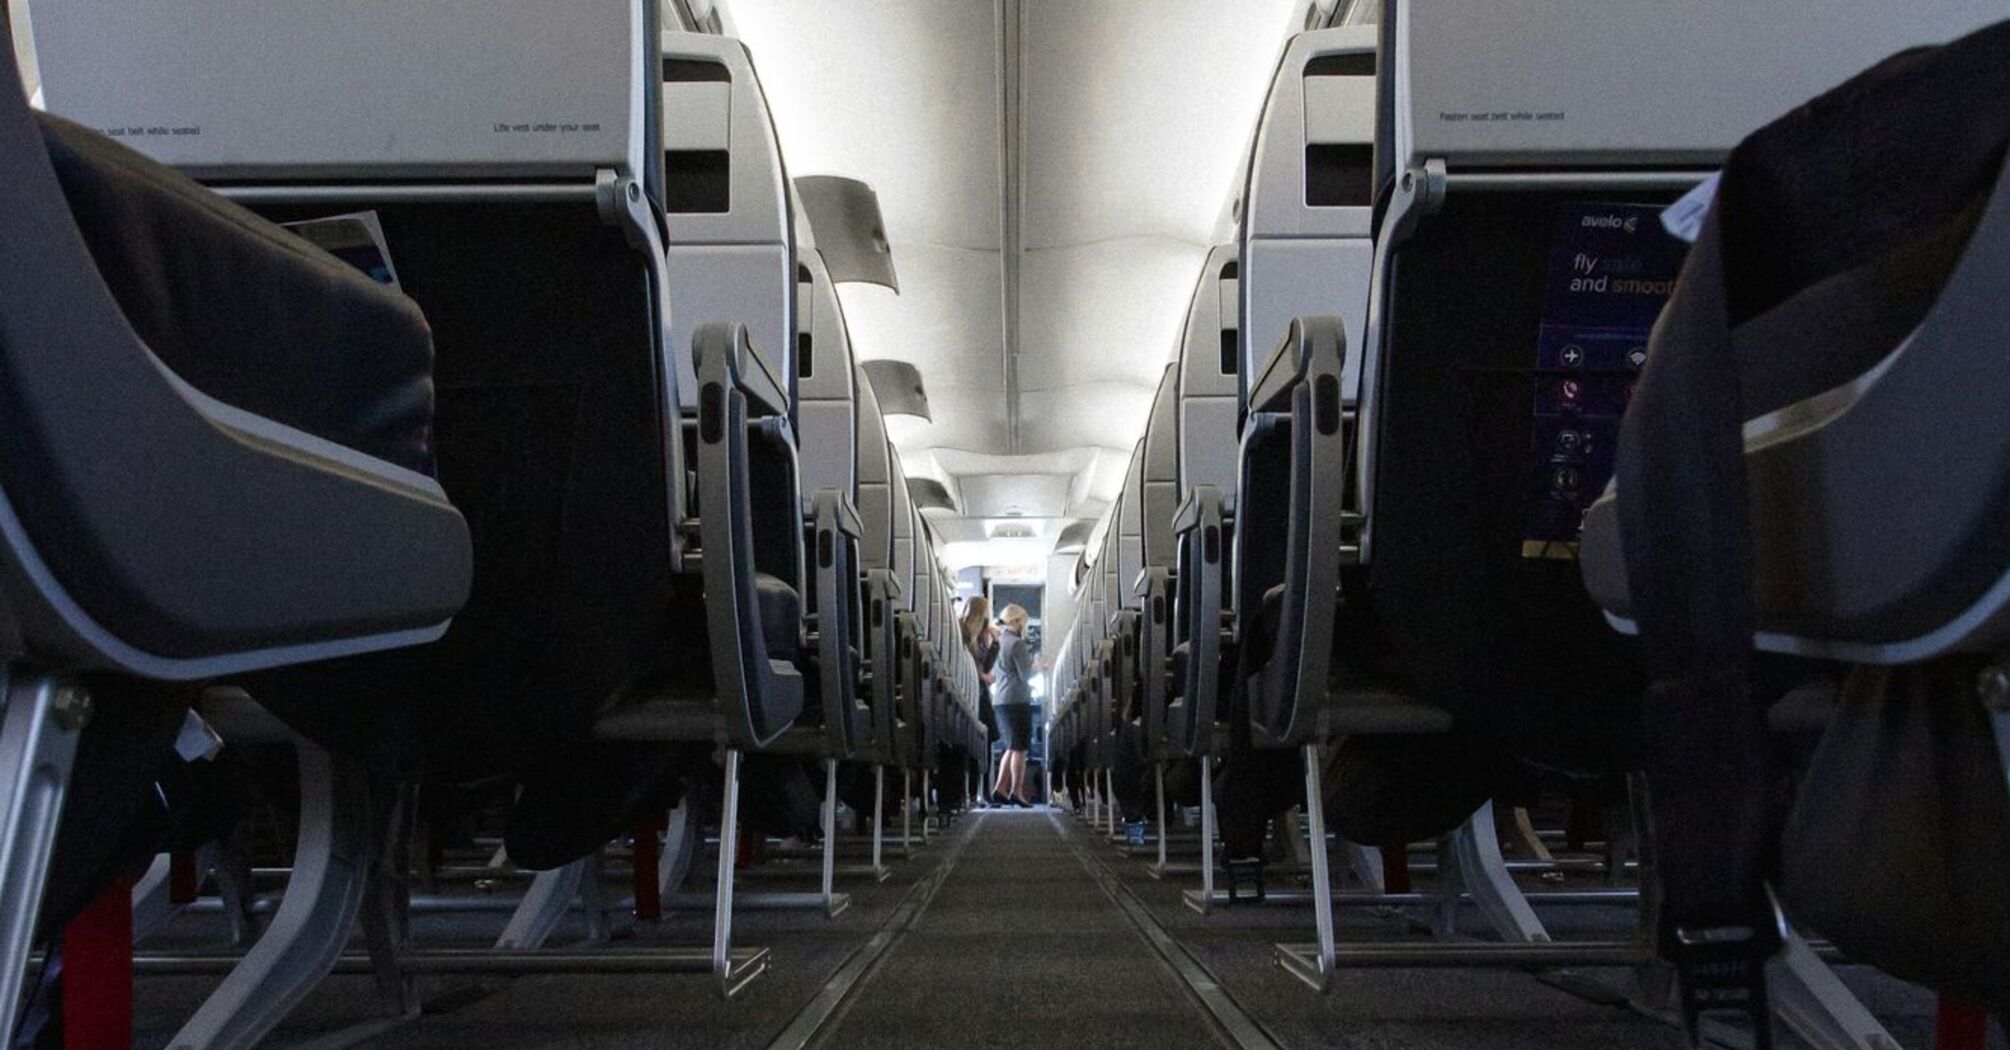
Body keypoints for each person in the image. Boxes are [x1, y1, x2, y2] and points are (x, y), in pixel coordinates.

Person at [989, 604, 1041, 807]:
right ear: (1018, 621)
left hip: (1001, 700)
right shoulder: (1017, 644)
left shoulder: (998, 642)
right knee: (1020, 747)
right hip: (1017, 699)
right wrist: (1039, 667)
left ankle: (1000, 787)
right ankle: (1017, 791)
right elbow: (1025, 674)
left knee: (1010, 746)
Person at [959, 596, 999, 742]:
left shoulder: (980, 635)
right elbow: (963, 661)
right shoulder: (962, 632)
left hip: (980, 691)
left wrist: (995, 643)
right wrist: (981, 676)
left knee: (989, 734)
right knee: (984, 735)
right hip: (970, 690)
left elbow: (986, 666)